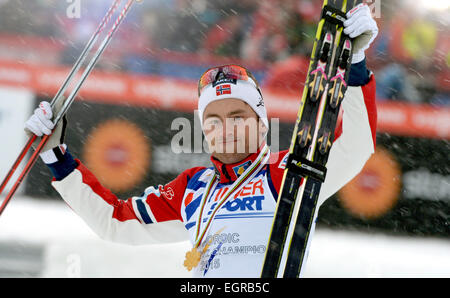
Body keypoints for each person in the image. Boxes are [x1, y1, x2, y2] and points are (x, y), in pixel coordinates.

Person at [24, 4, 378, 277]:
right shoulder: (192, 188)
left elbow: (357, 147)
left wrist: (356, 65)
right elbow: (115, 223)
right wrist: (56, 157)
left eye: (237, 116)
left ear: (260, 124)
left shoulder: (287, 172)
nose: (224, 128)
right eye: (213, 119)